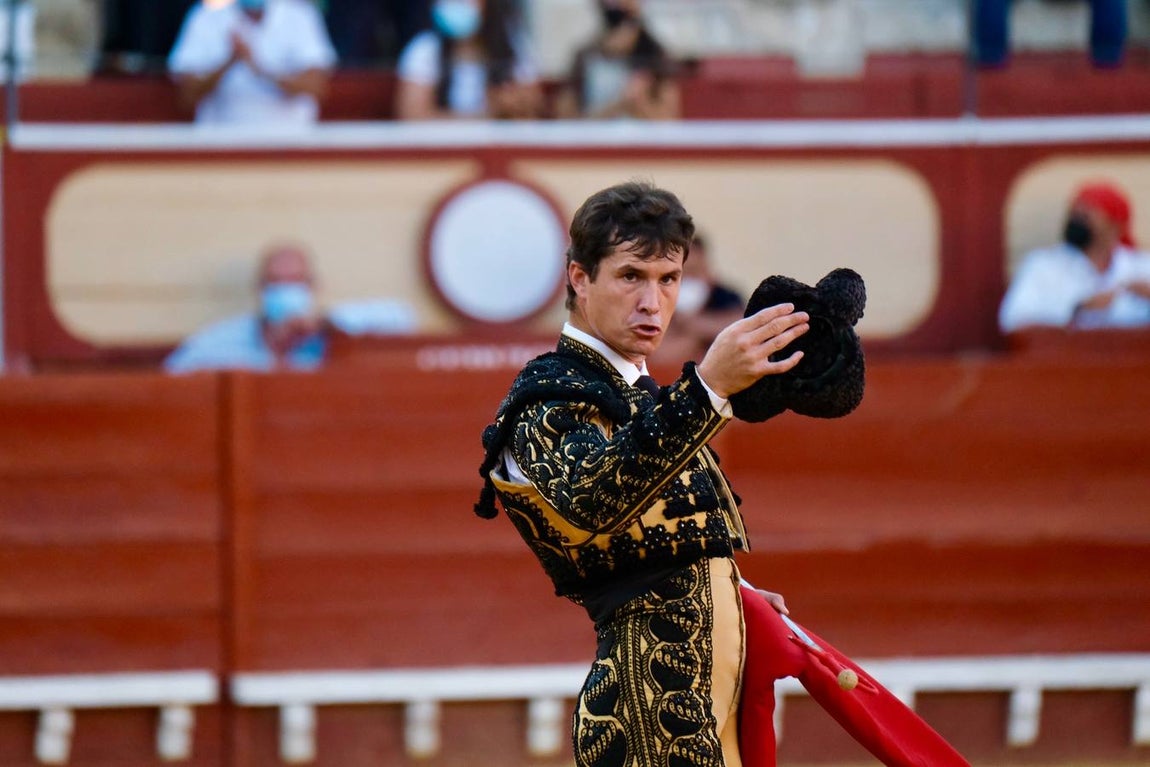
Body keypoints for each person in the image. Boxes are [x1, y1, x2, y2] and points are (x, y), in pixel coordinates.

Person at [475, 181, 970, 767]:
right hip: (647, 705)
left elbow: (651, 540)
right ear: (579, 279)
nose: (652, 303)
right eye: (631, 276)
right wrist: (708, 388)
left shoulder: (637, 398)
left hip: (705, 690)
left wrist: (726, 590)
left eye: (669, 280)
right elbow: (595, 497)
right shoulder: (546, 400)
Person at [164, 243, 416, 374]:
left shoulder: (332, 332)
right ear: (260, 288)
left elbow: (402, 318)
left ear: (313, 286)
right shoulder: (222, 338)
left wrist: (324, 323)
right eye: (276, 282)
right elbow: (175, 375)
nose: (285, 291)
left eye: (295, 282)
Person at [999, 181, 1150, 333]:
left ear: (1114, 227)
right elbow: (1014, 321)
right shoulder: (1043, 266)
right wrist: (1077, 309)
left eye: (1085, 216)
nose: (1076, 221)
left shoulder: (1142, 266)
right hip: (1063, 355)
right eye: (1074, 214)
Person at [167, 0, 337, 126]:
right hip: (221, 146)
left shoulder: (300, 15)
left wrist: (259, 68)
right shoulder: (205, 16)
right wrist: (229, 61)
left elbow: (315, 87)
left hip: (290, 145)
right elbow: (187, 96)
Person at [393, 0, 541, 120]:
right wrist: (487, 117)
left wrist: (512, 104)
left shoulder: (513, 48)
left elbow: (532, 111)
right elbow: (413, 116)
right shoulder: (425, 49)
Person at [554, 0, 680, 120]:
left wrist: (639, 104)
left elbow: (669, 122)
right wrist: (619, 104)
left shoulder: (655, 57)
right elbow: (568, 122)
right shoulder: (585, 57)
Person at [651, 232, 745, 365]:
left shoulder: (726, 297)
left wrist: (694, 324)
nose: (689, 280)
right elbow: (660, 354)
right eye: (683, 274)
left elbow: (741, 326)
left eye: (694, 271)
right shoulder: (656, 300)